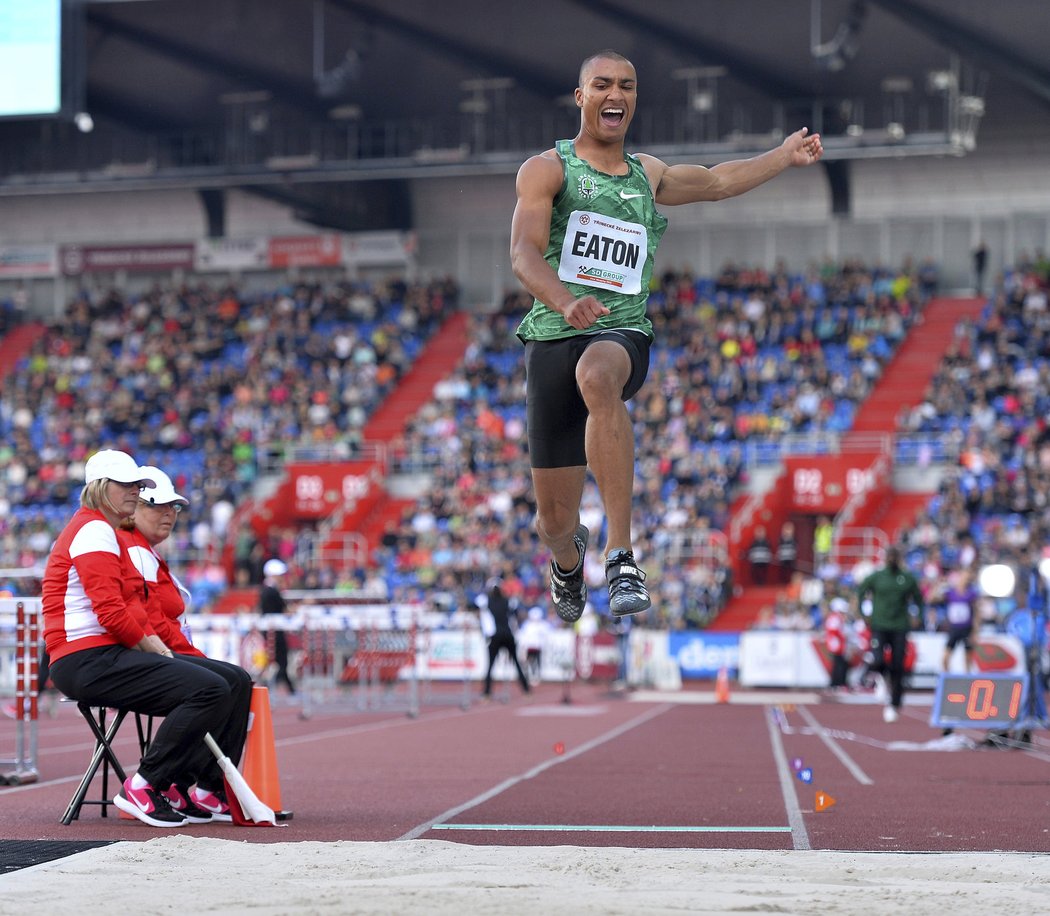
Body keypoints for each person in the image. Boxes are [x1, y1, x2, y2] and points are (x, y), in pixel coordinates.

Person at [510, 49, 823, 623]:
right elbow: (523, 251)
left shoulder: (646, 174)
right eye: (602, 85)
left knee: (598, 374)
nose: (616, 95)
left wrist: (782, 156)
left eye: (626, 86)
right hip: (553, 334)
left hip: (620, 332)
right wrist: (563, 299)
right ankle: (567, 561)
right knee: (552, 522)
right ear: (581, 97)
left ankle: (621, 554)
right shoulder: (547, 170)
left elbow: (717, 182)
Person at [41, 449, 241, 827]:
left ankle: (178, 785)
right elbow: (112, 612)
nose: (135, 491)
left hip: (100, 655)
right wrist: (161, 653)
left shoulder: (104, 532)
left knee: (218, 682)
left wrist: (164, 652)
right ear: (100, 488)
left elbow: (129, 606)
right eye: (127, 485)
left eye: (138, 485)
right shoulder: (93, 530)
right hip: (85, 659)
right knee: (210, 689)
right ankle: (147, 784)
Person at [120, 466, 253, 822]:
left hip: (164, 650)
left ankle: (201, 786)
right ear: (134, 507)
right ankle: (162, 779)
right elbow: (146, 620)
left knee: (236, 680)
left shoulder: (148, 552)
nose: (169, 515)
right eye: (159, 506)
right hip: (148, 655)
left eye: (174, 508)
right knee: (225, 683)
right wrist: (187, 657)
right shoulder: (134, 551)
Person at [856, 546, 924, 723]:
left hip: (900, 626)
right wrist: (864, 614)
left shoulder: (907, 578)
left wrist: (918, 616)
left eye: (896, 556)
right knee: (877, 659)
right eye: (890, 556)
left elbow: (919, 599)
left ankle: (895, 703)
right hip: (879, 625)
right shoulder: (877, 577)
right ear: (886, 558)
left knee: (898, 666)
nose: (893, 559)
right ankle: (883, 677)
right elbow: (861, 591)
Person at [477, 578, 530, 698]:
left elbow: (477, 605)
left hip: (495, 636)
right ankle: (526, 690)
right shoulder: (508, 601)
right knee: (516, 663)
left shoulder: (486, 601)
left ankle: (486, 693)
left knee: (490, 665)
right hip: (508, 634)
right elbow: (516, 615)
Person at [259, 558, 296, 695]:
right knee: (281, 661)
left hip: (273, 629)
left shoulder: (269, 590)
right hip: (273, 630)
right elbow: (282, 609)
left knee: (281, 661)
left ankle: (290, 689)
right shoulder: (270, 591)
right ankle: (268, 684)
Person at [942, 567, 980, 673]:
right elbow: (932, 599)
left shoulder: (971, 594)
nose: (967, 580)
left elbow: (976, 613)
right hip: (954, 629)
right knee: (946, 656)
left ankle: (967, 679)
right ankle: (947, 676)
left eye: (969, 578)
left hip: (967, 628)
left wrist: (975, 631)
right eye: (965, 577)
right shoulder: (950, 592)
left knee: (968, 658)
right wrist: (940, 584)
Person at [824, 597, 850, 690]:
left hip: (837, 643)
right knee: (838, 663)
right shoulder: (835, 617)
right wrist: (843, 636)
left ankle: (837, 682)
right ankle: (836, 683)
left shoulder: (836, 617)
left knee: (839, 663)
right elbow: (834, 631)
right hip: (836, 643)